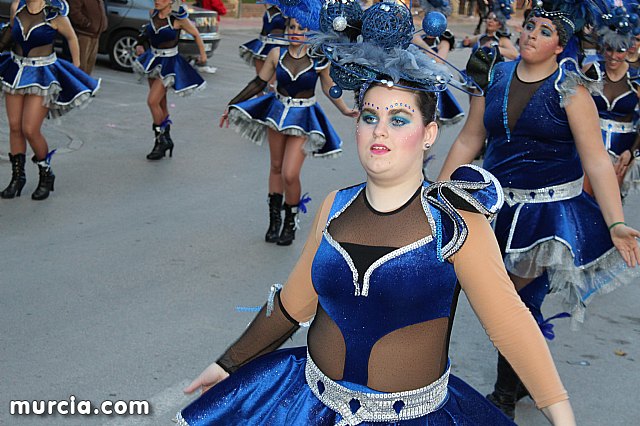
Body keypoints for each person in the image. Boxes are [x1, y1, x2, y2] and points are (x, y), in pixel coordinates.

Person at [175, 2, 577, 425]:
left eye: (399, 119)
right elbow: (292, 307)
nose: (380, 129)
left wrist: (563, 417)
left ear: (429, 134)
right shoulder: (334, 206)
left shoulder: (456, 222)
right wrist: (227, 364)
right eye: (370, 116)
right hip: (308, 406)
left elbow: (511, 323)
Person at [439, 1, 640, 419]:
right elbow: (468, 140)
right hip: (490, 209)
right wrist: (438, 193)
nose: (531, 34)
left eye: (545, 31)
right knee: (459, 286)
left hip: (544, 218)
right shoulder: (494, 75)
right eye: (530, 25)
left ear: (559, 45)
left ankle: (505, 394)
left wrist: (616, 222)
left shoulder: (571, 90)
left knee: (513, 301)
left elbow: (597, 160)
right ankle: (465, 376)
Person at [220, 13, 357, 246]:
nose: (296, 32)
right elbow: (258, 83)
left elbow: (329, 88)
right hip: (277, 113)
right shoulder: (276, 53)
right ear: (286, 28)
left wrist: (345, 109)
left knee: (290, 173)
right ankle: (274, 222)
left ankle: (290, 222)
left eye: (302, 28)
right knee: (275, 167)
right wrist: (233, 103)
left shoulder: (318, 57)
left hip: (303, 118)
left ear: (309, 31)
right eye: (292, 26)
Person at [0, 0, 100, 200]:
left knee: (30, 129)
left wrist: (76, 66)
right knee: (14, 126)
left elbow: (72, 38)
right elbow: (10, 32)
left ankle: (46, 173)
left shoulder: (55, 13)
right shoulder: (17, 7)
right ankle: (17, 178)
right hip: (16, 71)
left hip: (42, 75)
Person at [133, 0, 207, 160]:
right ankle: (165, 140)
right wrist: (140, 43)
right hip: (153, 60)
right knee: (160, 103)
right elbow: (147, 32)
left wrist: (203, 54)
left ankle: (161, 141)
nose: (157, 1)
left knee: (152, 101)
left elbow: (195, 33)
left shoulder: (178, 18)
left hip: (169, 64)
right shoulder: (152, 13)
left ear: (171, 1)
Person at [586, 7, 640, 199]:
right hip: (588, 149)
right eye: (609, 49)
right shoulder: (592, 71)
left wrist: (632, 152)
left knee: (608, 209)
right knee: (582, 205)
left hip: (621, 154)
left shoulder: (636, 78)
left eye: (620, 50)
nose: (613, 56)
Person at [238, 3, 288, 76]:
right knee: (259, 79)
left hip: (277, 45)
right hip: (261, 44)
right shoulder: (269, 8)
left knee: (270, 83)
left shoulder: (288, 12)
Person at [67, 0, 107, 74]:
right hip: (83, 34)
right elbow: (74, 12)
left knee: (89, 67)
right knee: (80, 67)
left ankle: (85, 84)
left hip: (95, 35)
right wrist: (86, 23)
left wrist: (103, 25)